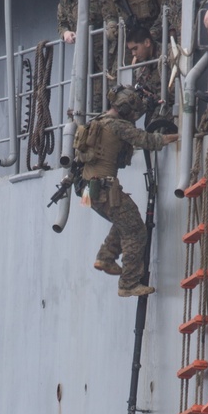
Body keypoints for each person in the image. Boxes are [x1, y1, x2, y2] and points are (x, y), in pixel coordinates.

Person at [75, 87, 177, 296]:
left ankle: (106, 257)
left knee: (124, 220)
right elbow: (148, 140)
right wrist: (179, 135)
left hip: (89, 192)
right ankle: (128, 284)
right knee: (136, 232)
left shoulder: (98, 121)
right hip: (105, 190)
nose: (133, 117)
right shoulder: (118, 126)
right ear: (124, 108)